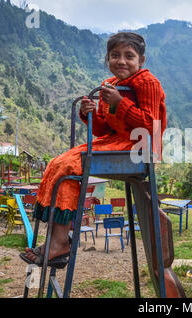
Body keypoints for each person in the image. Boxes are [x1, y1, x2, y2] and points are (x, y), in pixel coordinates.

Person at [20, 32, 167, 266]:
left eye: (129, 56)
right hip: (112, 141)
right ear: (107, 58)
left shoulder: (147, 82)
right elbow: (101, 128)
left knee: (68, 165)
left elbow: (152, 125)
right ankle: (57, 239)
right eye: (115, 55)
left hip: (137, 147)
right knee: (57, 164)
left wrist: (121, 102)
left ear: (141, 60)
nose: (121, 61)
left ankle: (59, 243)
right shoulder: (109, 85)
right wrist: (87, 113)